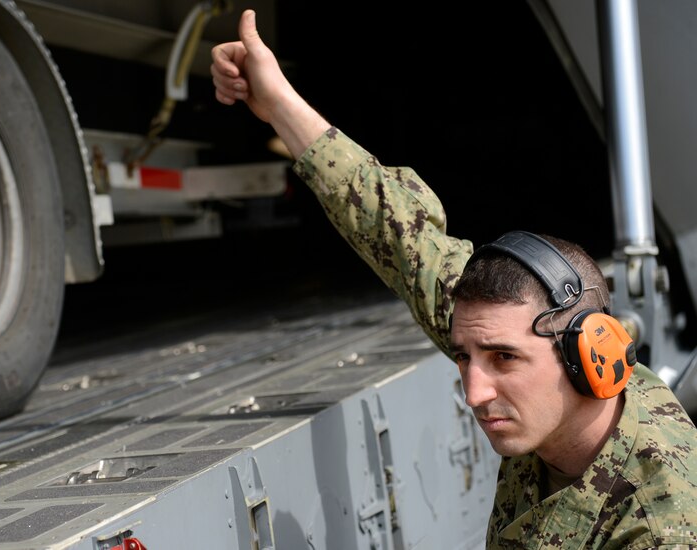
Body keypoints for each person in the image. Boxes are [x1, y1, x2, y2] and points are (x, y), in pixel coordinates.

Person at [211, 9, 697, 548]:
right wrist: (277, 100)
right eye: (465, 355)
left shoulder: (657, 529)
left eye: (503, 359)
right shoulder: (538, 355)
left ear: (593, 357)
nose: (474, 392)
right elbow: (400, 235)